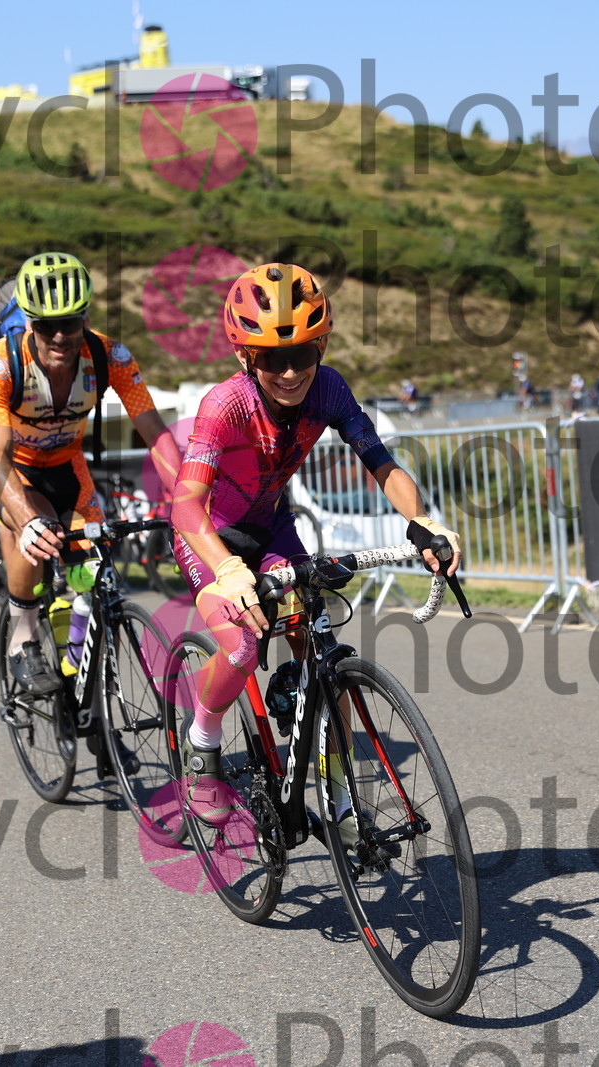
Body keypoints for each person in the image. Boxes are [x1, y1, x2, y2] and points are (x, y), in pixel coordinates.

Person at [170, 263, 462, 825]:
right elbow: (185, 506)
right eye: (270, 359)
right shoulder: (225, 405)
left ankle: (341, 799)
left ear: (321, 346)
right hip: (210, 536)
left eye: (302, 354)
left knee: (320, 647)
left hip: (273, 527)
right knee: (242, 646)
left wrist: (424, 521)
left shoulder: (329, 388)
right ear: (244, 357)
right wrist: (227, 569)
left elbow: (381, 463)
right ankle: (202, 742)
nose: (288, 372)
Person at [0, 251, 179, 703]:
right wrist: (28, 519)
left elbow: (154, 432)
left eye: (70, 323)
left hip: (66, 463)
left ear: (85, 317)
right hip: (6, 467)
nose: (60, 336)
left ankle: (78, 669)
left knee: (92, 566)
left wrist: (187, 499)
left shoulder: (108, 355)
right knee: (35, 535)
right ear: (30, 322)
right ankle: (22, 638)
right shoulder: (0, 364)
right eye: (47, 326)